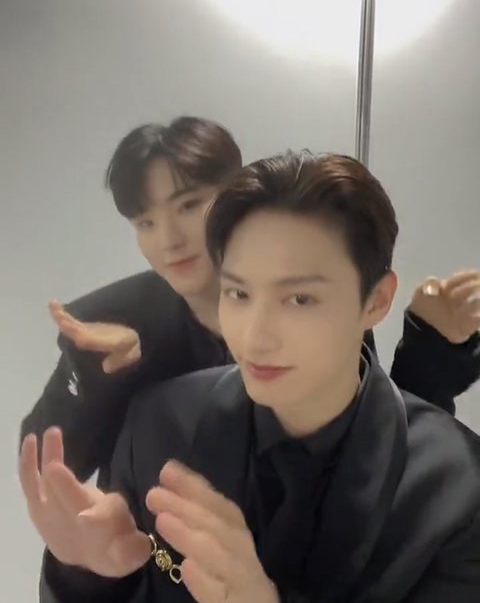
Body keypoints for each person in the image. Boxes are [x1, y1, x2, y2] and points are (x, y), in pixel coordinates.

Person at [20, 151, 480, 603]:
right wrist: (88, 587)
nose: (255, 335)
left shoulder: (458, 489)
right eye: (237, 292)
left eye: (299, 299)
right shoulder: (159, 425)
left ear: (376, 301)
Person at [20, 119, 480, 486]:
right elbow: (46, 471)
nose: (169, 239)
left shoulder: (320, 282)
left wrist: (429, 349)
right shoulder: (111, 322)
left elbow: (381, 452)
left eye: (188, 205)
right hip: (156, 556)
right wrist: (97, 375)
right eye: (145, 223)